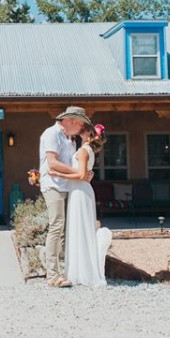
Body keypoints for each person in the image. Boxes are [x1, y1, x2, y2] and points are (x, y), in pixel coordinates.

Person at [38, 106, 94, 288]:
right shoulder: (51, 134)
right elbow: (52, 164)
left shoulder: (70, 139)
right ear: (71, 121)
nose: (81, 129)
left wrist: (86, 172)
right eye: (81, 125)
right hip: (53, 185)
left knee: (64, 228)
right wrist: (80, 172)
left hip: (67, 185)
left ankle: (63, 270)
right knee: (57, 225)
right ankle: (52, 275)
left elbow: (72, 164)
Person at [56, 123, 113, 286]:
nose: (84, 129)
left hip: (80, 191)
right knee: (80, 228)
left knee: (79, 228)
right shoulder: (87, 150)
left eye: (87, 129)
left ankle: (82, 272)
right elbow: (84, 173)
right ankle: (79, 270)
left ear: (90, 136)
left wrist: (58, 173)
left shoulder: (83, 151)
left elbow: (81, 175)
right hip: (81, 190)